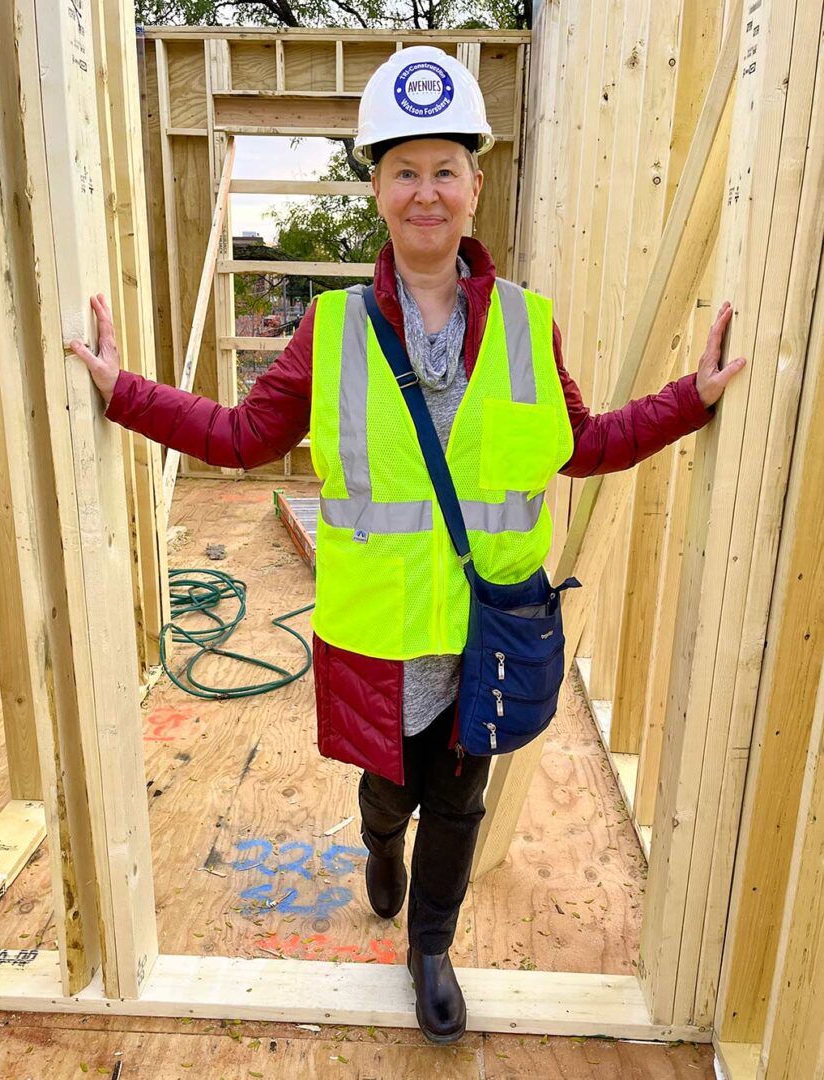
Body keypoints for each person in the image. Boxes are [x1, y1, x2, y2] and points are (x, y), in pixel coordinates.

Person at [71, 45, 745, 1044]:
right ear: (376, 191)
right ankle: (378, 845)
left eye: (443, 168)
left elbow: (585, 444)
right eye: (402, 169)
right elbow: (241, 436)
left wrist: (689, 401)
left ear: (474, 186)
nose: (424, 191)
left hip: (486, 626)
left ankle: (430, 944)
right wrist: (124, 391)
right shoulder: (330, 330)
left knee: (459, 799)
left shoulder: (527, 324)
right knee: (391, 789)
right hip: (379, 632)